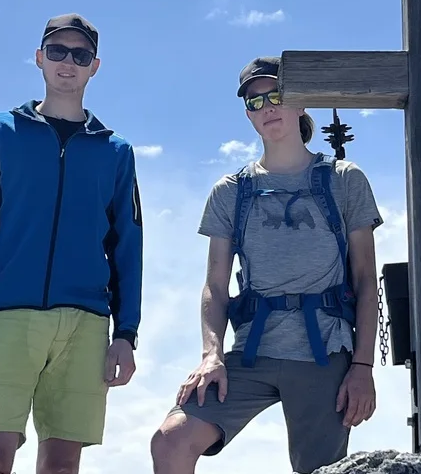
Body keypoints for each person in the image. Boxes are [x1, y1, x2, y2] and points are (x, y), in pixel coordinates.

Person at [149, 56, 383, 474]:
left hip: (324, 353)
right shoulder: (230, 191)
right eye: (255, 101)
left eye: (277, 94)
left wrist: (363, 367)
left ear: (300, 105)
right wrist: (211, 355)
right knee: (170, 442)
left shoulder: (345, 179)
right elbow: (215, 287)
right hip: (250, 352)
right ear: (248, 114)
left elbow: (366, 280)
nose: (267, 106)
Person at [0, 13, 144, 474]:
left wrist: (126, 333)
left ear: (95, 66)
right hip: (6, 317)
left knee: (61, 466)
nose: (68, 63)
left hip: (86, 326)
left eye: (81, 54)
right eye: (57, 52)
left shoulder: (116, 152)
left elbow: (127, 247)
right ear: (39, 58)